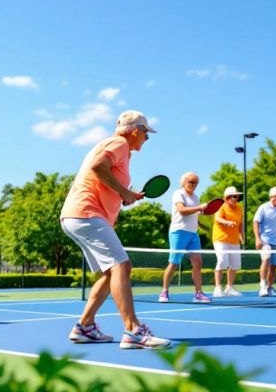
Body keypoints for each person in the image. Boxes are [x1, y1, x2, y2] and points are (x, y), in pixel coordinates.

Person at [59, 110, 171, 349]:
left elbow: (103, 180)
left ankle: (85, 326)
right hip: (86, 214)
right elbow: (98, 167)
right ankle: (133, 330)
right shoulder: (119, 143)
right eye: (145, 133)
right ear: (134, 132)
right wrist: (124, 192)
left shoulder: (119, 149)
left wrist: (124, 197)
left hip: (79, 215)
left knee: (110, 273)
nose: (147, 139)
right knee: (122, 265)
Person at [159, 172, 211, 303]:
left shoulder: (196, 197)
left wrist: (202, 225)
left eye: (196, 183)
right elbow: (182, 210)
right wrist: (199, 207)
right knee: (174, 263)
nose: (194, 185)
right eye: (191, 182)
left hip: (193, 234)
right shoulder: (178, 193)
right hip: (179, 232)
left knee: (198, 262)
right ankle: (164, 291)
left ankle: (198, 293)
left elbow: (194, 214)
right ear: (184, 182)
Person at [212, 186, 244, 298]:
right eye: (232, 196)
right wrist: (227, 222)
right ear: (226, 198)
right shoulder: (221, 207)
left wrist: (241, 235)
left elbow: (241, 223)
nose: (235, 198)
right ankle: (217, 288)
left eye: (236, 196)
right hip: (221, 239)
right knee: (221, 261)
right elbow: (218, 219)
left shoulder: (240, 208)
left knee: (235, 265)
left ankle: (229, 288)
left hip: (234, 240)